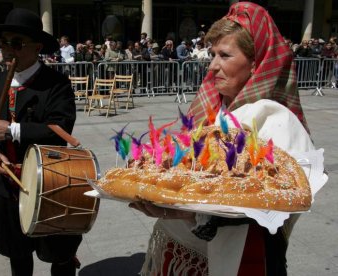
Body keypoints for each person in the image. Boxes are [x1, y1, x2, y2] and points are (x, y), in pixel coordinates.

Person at [130, 2, 315, 275]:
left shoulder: (277, 122)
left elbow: (278, 205)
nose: (213, 66)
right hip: (181, 249)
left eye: (225, 55)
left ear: (256, 63)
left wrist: (191, 212)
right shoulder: (210, 108)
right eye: (212, 53)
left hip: (246, 259)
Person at [0, 8, 80, 276]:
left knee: (60, 255)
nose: (8, 50)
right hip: (8, 188)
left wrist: (12, 130)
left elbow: (61, 129)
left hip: (49, 184)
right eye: (4, 42)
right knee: (17, 256)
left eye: (17, 43)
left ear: (37, 47)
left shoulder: (56, 83)